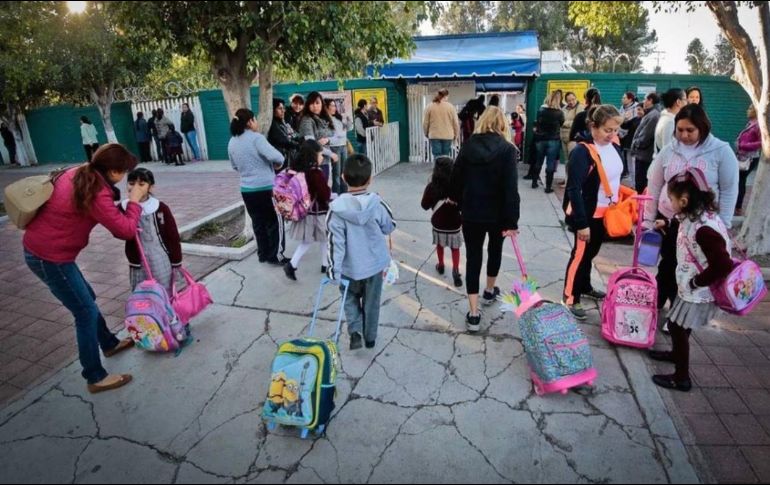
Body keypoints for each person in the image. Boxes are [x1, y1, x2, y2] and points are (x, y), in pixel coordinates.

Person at [23, 144, 148, 394]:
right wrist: (134, 201)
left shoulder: (79, 172)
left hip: (46, 252)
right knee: (85, 313)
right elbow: (124, 230)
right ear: (112, 171)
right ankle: (95, 376)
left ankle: (109, 343)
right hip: (50, 257)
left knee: (86, 300)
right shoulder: (96, 190)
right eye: (123, 172)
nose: (124, 177)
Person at [645, 103, 739, 313]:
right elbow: (654, 183)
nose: (684, 135)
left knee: (692, 268)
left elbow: (729, 189)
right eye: (680, 130)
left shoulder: (721, 151)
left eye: (690, 130)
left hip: (701, 225)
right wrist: (648, 218)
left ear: (703, 128)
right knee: (669, 264)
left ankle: (680, 313)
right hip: (669, 220)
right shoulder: (669, 150)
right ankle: (656, 306)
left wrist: (723, 224)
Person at [648, 168, 733, 392]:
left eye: (672, 199)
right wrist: (666, 224)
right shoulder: (696, 213)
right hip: (691, 285)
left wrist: (697, 282)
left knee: (677, 326)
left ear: (684, 201)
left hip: (698, 289)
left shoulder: (705, 229)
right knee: (680, 326)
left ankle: (681, 377)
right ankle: (676, 354)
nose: (670, 203)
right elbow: (683, 225)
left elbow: (723, 264)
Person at [450, 106, 520, 333]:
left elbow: (455, 180)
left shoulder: (468, 146)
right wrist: (511, 221)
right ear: (502, 124)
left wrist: (460, 202)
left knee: (473, 258)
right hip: (498, 214)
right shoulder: (508, 150)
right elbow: (511, 189)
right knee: (495, 250)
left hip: (471, 212)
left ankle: (473, 312)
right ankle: (489, 290)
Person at [326, 153, 396, 351]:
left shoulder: (336, 210)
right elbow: (389, 226)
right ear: (370, 179)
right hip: (374, 267)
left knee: (349, 298)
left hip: (349, 269)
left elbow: (334, 243)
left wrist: (333, 270)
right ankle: (370, 338)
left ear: (343, 178)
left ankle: (355, 330)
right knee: (372, 303)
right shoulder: (377, 204)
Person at [562, 105, 625, 320]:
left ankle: (586, 285)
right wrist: (581, 223)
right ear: (593, 126)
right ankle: (571, 297)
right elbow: (573, 189)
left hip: (606, 215)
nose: (612, 134)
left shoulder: (615, 146)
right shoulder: (581, 151)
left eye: (616, 129)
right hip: (587, 215)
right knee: (579, 256)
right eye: (608, 130)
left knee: (590, 254)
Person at [228, 108, 287, 265]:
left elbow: (234, 166)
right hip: (266, 188)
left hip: (247, 190)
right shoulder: (257, 138)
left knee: (258, 223)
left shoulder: (232, 141)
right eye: (254, 119)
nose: (256, 122)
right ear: (249, 122)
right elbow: (277, 156)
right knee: (274, 222)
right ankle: (276, 255)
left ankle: (263, 254)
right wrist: (276, 164)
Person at [120, 168, 182, 294]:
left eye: (141, 184)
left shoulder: (160, 207)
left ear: (151, 187)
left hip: (160, 257)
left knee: (164, 290)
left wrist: (176, 260)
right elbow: (119, 231)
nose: (135, 188)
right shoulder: (123, 208)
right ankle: (146, 312)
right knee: (142, 291)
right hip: (138, 260)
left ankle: (166, 312)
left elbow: (173, 235)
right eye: (131, 184)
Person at [283, 140, 331, 281]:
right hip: (318, 211)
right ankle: (293, 265)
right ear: (313, 155)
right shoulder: (316, 173)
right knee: (319, 239)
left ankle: (323, 264)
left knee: (315, 239)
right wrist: (329, 192)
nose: (322, 157)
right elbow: (324, 194)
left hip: (306, 210)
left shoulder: (299, 170)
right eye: (320, 154)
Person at [422, 156, 464, 288]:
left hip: (438, 223)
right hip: (454, 223)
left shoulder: (431, 186)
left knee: (440, 245)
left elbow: (424, 205)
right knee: (455, 248)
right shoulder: (457, 187)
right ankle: (456, 270)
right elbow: (463, 206)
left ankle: (440, 265)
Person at [297, 91, 338, 181]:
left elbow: (336, 137)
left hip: (325, 161)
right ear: (307, 105)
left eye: (317, 103)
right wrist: (331, 154)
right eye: (312, 103)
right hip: (313, 162)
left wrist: (327, 140)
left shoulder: (325, 119)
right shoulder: (307, 120)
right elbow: (311, 143)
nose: (315, 106)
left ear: (322, 104)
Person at [530, 91, 565, 193]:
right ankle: (548, 187)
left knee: (538, 161)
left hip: (540, 139)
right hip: (553, 139)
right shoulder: (559, 112)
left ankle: (534, 182)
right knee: (550, 163)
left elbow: (537, 121)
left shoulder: (541, 110)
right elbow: (561, 123)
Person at [630, 92, 661, 193]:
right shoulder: (652, 113)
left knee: (641, 184)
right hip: (643, 155)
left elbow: (645, 137)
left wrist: (635, 143)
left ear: (650, 100)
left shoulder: (654, 115)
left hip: (644, 156)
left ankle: (641, 206)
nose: (643, 101)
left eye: (645, 99)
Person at [735, 104, 762, 216]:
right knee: (739, 180)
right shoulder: (751, 123)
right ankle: (737, 206)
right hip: (743, 156)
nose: (747, 110)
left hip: (750, 158)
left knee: (740, 180)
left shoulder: (758, 126)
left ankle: (738, 207)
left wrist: (744, 145)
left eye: (750, 108)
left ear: (756, 111)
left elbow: (762, 142)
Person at [423, 89, 460, 160]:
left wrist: (426, 133)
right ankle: (445, 170)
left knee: (437, 155)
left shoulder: (429, 106)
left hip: (434, 135)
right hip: (448, 135)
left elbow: (425, 122)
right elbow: (455, 123)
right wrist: (456, 134)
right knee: (445, 155)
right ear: (446, 96)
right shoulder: (451, 107)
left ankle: (437, 170)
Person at [267, 98, 301, 173]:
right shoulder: (273, 124)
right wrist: (298, 145)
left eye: (283, 108)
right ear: (273, 110)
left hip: (287, 159)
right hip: (279, 162)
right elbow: (284, 140)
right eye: (280, 108)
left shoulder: (282, 122)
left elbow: (293, 135)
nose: (283, 111)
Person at [325, 98, 352, 194]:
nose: (334, 108)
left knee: (343, 172)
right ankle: (336, 194)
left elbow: (348, 128)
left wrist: (348, 120)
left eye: (334, 105)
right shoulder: (326, 120)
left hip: (343, 146)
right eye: (331, 105)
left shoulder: (338, 118)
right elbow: (336, 134)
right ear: (326, 107)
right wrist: (342, 133)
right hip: (334, 147)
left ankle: (344, 193)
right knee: (336, 173)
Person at [655, 88, 687, 154]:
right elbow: (668, 150)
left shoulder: (666, 118)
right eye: (685, 99)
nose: (687, 102)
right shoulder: (670, 122)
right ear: (678, 102)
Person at [618, 92, 639, 178]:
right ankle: (624, 171)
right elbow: (620, 120)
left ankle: (631, 176)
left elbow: (630, 124)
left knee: (630, 158)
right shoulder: (622, 107)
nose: (622, 99)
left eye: (624, 98)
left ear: (630, 99)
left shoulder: (636, 108)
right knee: (622, 154)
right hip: (620, 134)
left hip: (630, 136)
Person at [560, 92, 584, 166]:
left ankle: (572, 177)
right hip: (563, 137)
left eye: (573, 99)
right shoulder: (564, 108)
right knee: (566, 160)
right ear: (566, 101)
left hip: (573, 137)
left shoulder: (580, 107)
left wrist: (564, 123)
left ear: (576, 98)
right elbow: (560, 120)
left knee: (573, 160)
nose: (571, 102)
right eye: (569, 100)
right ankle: (567, 177)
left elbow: (577, 122)